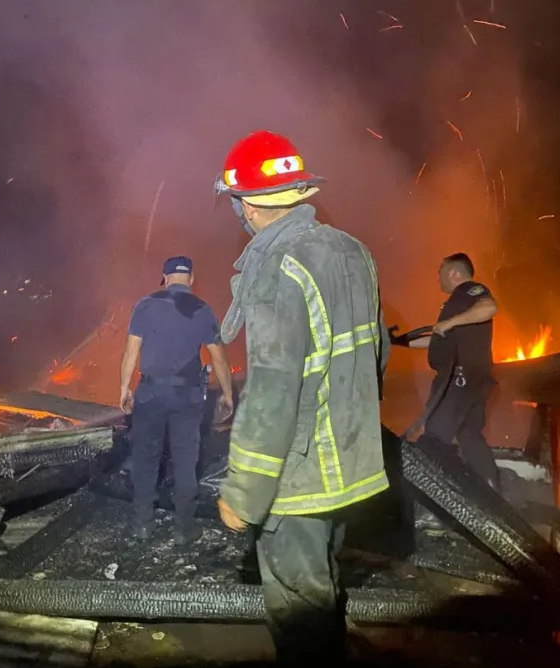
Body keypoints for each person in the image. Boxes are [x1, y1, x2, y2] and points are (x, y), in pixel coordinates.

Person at [213, 130, 391, 663]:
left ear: (248, 204)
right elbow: (377, 352)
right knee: (325, 584)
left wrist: (242, 492)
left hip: (300, 476)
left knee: (300, 613)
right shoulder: (353, 250)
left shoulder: (278, 266)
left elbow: (271, 389)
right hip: (348, 466)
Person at [120, 255, 233, 545]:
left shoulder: (145, 306)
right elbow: (218, 357)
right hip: (187, 397)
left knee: (146, 458)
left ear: (165, 277)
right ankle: (184, 529)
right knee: (185, 460)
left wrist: (124, 388)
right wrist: (228, 393)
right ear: (191, 279)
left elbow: (131, 351)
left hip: (150, 394)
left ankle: (143, 525)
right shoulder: (202, 309)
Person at [394, 253, 500, 494]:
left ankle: (433, 497)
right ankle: (492, 495)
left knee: (435, 437)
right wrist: (399, 342)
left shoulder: (469, 291)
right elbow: (437, 338)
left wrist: (449, 323)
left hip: (459, 379)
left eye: (440, 271)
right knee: (469, 436)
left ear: (453, 272)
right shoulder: (459, 305)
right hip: (473, 380)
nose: (438, 277)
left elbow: (490, 307)